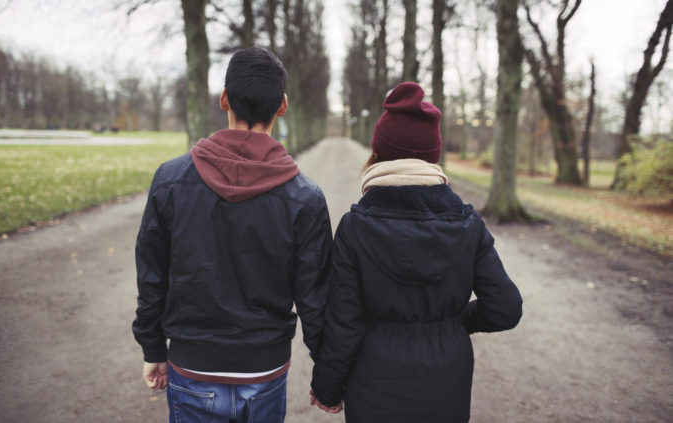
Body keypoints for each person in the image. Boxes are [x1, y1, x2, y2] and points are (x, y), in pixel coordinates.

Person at [132, 47, 333, 423]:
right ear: (283, 106)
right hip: (264, 367)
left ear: (224, 99)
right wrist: (329, 374)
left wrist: (153, 348)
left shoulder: (171, 180)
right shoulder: (304, 197)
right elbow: (316, 297)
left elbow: (151, 274)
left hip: (192, 364)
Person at [310, 82, 523, 422]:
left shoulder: (356, 227)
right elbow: (506, 309)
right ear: (432, 155)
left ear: (378, 153)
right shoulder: (468, 224)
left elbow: (343, 323)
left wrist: (326, 387)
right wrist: (453, 322)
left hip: (373, 380)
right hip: (447, 379)